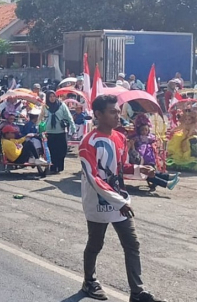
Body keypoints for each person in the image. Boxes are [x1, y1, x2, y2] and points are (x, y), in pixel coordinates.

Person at [79, 95, 166, 302]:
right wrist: (120, 202)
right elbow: (94, 179)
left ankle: (137, 292)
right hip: (98, 202)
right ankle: (89, 281)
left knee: (132, 244)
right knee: (95, 244)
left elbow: (119, 169)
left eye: (118, 111)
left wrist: (139, 170)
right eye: (112, 112)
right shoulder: (87, 143)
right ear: (98, 114)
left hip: (119, 200)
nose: (118, 115)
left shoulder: (119, 138)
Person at [128, 116, 180, 191]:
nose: (144, 132)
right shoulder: (136, 139)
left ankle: (168, 178)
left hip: (144, 158)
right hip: (139, 159)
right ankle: (167, 181)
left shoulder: (147, 138)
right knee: (146, 173)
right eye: (142, 130)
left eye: (145, 130)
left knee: (148, 171)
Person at [44, 90, 76, 173]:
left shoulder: (62, 105)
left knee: (62, 150)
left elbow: (69, 117)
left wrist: (73, 129)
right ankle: (53, 167)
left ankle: (60, 166)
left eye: (53, 96)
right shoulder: (45, 106)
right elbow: (41, 118)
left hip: (61, 131)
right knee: (52, 150)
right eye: (50, 97)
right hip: (50, 132)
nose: (52, 98)